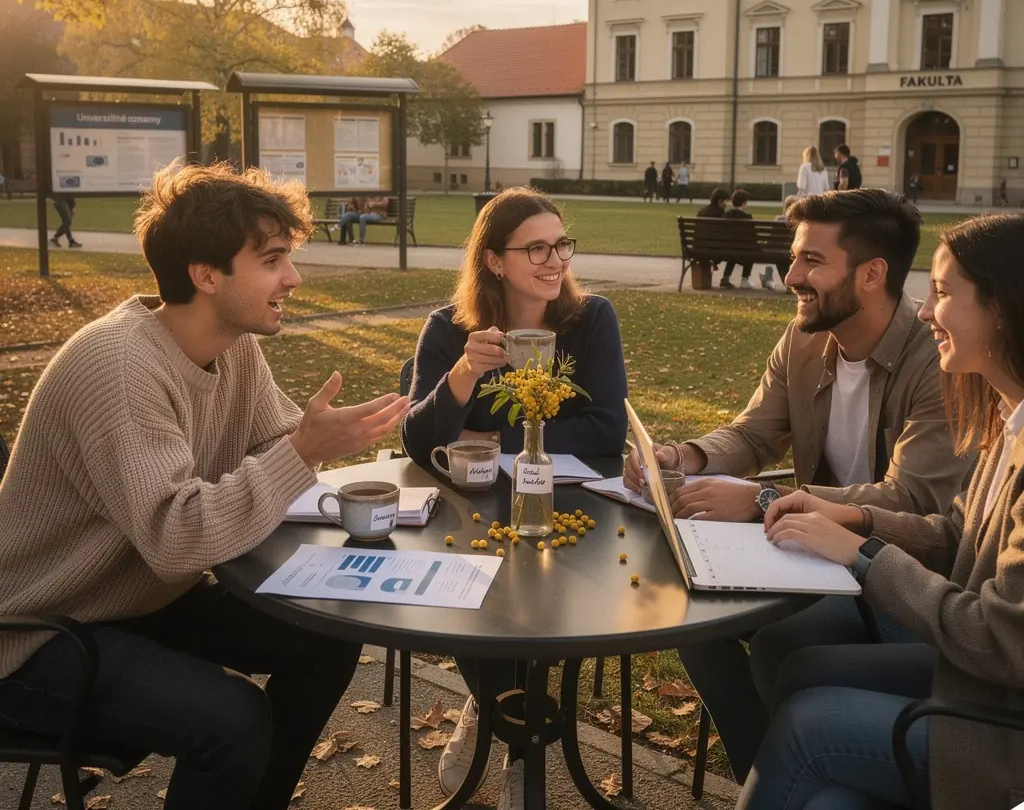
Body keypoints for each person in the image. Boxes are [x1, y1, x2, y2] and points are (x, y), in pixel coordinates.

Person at [0, 162, 410, 810]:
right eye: (272, 260)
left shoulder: (232, 347)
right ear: (206, 274)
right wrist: (303, 450)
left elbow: (272, 447)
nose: (293, 278)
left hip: (139, 602)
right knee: (231, 721)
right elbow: (178, 538)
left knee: (326, 635)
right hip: (37, 634)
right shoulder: (119, 367)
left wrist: (315, 447)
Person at [623, 189, 973, 783]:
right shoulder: (806, 338)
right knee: (689, 615)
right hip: (805, 551)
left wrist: (765, 500)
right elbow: (754, 433)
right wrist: (684, 455)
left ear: (871, 274)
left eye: (812, 261)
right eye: (794, 259)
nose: (791, 278)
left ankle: (791, 773)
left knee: (780, 643)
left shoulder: (936, 363)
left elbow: (912, 501)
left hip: (890, 569)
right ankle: (763, 774)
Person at [739, 213, 1024, 810]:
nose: (925, 312)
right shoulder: (1007, 420)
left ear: (1001, 307)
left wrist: (864, 555)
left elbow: (998, 639)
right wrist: (855, 519)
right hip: (974, 683)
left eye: (942, 293)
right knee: (809, 716)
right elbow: (956, 534)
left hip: (999, 728)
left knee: (807, 725)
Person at [402, 186, 628, 810]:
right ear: (494, 261)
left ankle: (497, 713)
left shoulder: (590, 319)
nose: (554, 261)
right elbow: (419, 442)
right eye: (536, 249)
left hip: (573, 507)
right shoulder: (451, 329)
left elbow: (607, 429)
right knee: (462, 581)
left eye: (560, 245)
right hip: (471, 510)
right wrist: (463, 375)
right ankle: (509, 724)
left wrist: (497, 436)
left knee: (547, 592)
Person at [718, 189, 756, 290]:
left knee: (733, 249)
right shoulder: (747, 217)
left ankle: (725, 277)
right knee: (750, 250)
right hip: (742, 250)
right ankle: (744, 279)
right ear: (743, 203)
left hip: (725, 249)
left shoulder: (725, 215)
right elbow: (752, 237)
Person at [758, 195, 798, 291]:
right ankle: (789, 284)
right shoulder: (799, 222)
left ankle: (787, 283)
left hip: (778, 249)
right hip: (794, 251)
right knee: (784, 256)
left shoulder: (778, 219)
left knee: (780, 257)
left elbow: (772, 237)